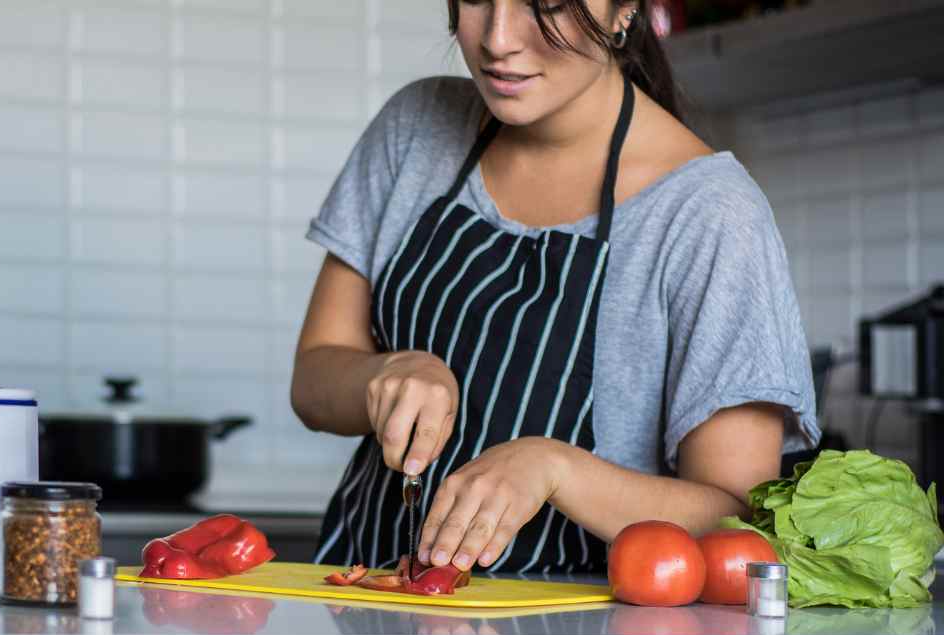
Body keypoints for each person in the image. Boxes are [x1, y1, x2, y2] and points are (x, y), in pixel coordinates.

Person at [290, 0, 820, 576]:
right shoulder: (414, 127)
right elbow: (313, 379)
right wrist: (385, 373)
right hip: (360, 601)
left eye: (548, 6)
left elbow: (736, 520)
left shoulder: (709, 214)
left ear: (626, 11)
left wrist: (557, 470)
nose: (497, 39)